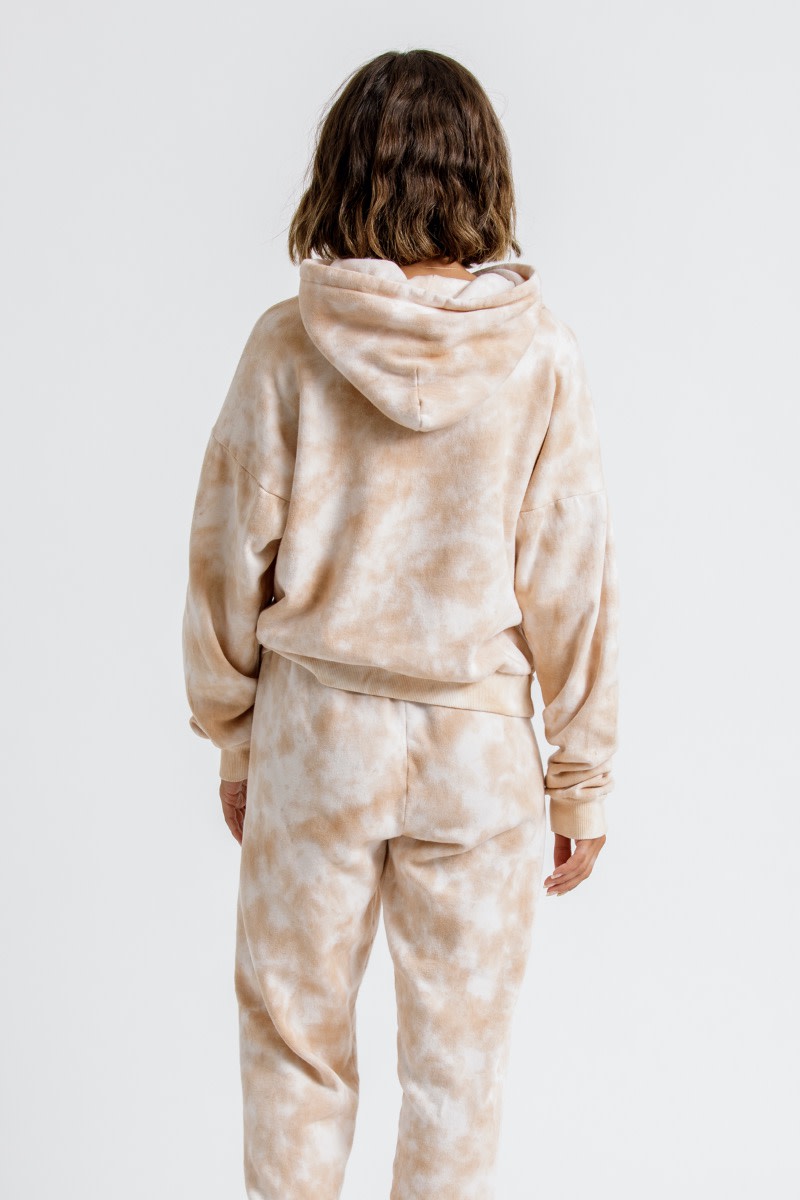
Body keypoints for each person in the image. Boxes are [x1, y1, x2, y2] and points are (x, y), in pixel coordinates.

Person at [181, 47, 619, 1200]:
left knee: (294, 1047)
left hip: (316, 738)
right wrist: (578, 778)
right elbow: (571, 575)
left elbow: (226, 551)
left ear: (343, 169)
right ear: (482, 175)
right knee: (456, 1075)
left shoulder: (288, 345)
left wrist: (234, 733)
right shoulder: (540, 355)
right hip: (476, 754)